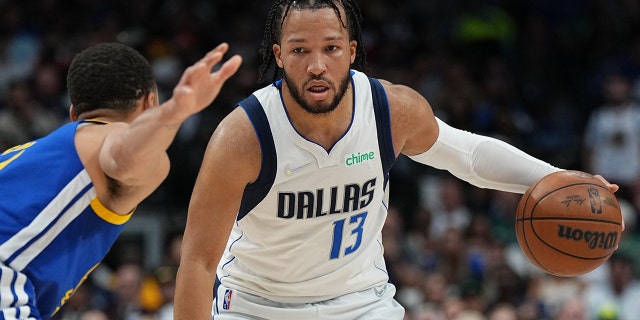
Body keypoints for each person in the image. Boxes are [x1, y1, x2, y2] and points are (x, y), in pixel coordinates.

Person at [173, 1, 617, 319]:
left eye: (330, 48)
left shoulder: (390, 109)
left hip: (363, 302)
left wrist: (560, 178)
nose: (316, 65)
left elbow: (469, 155)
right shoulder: (243, 135)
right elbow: (197, 263)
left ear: (351, 51)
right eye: (300, 50)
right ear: (279, 56)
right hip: (258, 307)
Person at [0, 42, 242, 319]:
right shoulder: (103, 139)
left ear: (73, 114)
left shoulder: (23, 156)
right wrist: (175, 112)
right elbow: (120, 157)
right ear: (150, 102)